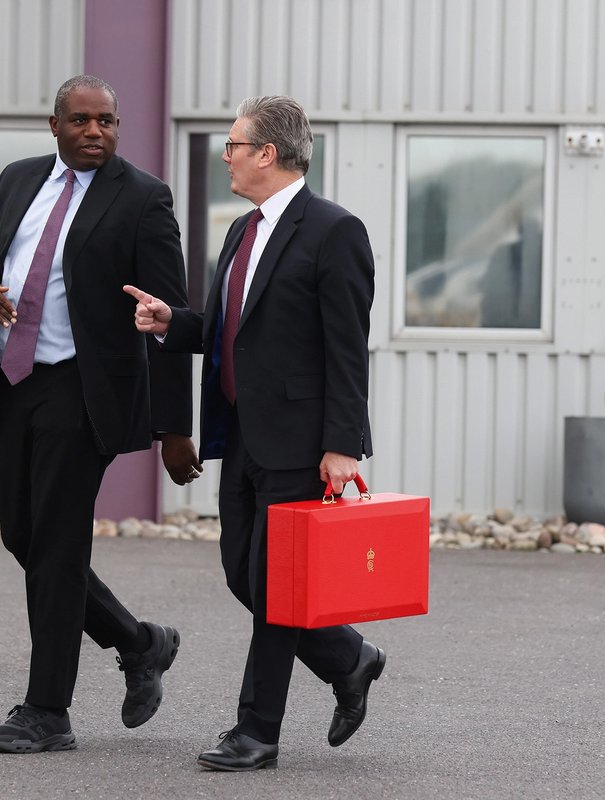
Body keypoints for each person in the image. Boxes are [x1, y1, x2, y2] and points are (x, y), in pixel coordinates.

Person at [124, 95, 383, 771]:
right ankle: (348, 657)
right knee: (243, 573)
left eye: (235, 144)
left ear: (267, 153)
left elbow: (348, 348)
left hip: (302, 442)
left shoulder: (335, 231)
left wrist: (343, 444)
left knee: (275, 588)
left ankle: (256, 732)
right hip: (241, 434)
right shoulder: (243, 230)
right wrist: (171, 322)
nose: (227, 155)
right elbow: (227, 327)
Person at [0, 75, 201, 754]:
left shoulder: (144, 199)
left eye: (108, 122)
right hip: (12, 383)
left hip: (82, 388)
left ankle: (47, 710)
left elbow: (169, 321)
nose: (97, 132)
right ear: (55, 124)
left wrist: (174, 430)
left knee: (58, 546)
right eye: (82, 121)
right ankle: (140, 641)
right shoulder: (17, 180)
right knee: (23, 537)